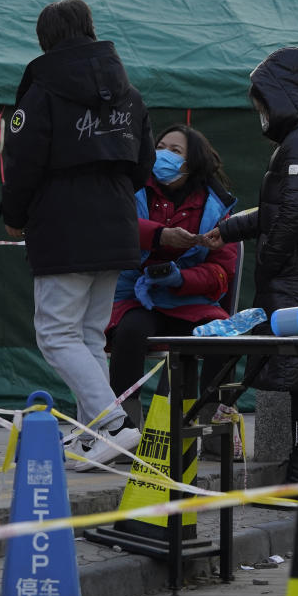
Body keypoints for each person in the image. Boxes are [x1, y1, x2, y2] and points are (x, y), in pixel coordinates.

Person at [0, 0, 153, 470]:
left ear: (46, 38)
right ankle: (94, 437)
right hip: (116, 224)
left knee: (55, 333)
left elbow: (22, 164)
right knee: (88, 334)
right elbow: (144, 167)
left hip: (64, 227)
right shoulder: (128, 92)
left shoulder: (42, 90)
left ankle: (112, 424)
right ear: (88, 27)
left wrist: (15, 214)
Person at [203, 47, 298, 482]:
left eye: (263, 103)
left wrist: (268, 268)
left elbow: (290, 216)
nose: (261, 113)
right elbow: (286, 207)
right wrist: (229, 230)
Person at [107, 125, 238, 429]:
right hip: (136, 297)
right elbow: (118, 228)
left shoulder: (216, 206)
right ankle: (122, 427)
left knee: (224, 335)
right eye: (160, 147)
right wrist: (159, 238)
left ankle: (212, 426)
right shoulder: (131, 188)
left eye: (175, 151)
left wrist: (181, 279)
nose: (163, 155)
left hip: (190, 300)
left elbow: (222, 272)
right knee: (129, 332)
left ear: (192, 164)